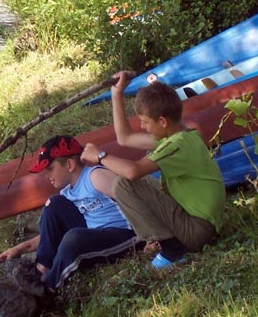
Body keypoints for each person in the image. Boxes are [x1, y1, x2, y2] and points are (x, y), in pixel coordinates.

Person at [81, 71, 225, 268]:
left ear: (163, 121)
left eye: (145, 122)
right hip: (198, 221)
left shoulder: (177, 145)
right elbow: (125, 138)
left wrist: (100, 156)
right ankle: (167, 240)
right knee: (132, 181)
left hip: (196, 230)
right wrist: (116, 94)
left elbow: (132, 171)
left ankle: (171, 247)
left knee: (123, 183)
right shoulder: (180, 136)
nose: (142, 126)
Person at [0, 135, 140, 294]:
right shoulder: (67, 194)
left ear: (70, 164)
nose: (46, 175)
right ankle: (40, 270)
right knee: (53, 204)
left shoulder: (95, 177)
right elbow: (50, 235)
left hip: (127, 234)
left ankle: (47, 289)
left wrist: (154, 237)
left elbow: (136, 199)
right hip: (96, 234)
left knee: (74, 238)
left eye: (50, 169)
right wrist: (20, 248)